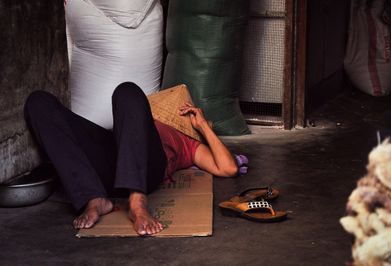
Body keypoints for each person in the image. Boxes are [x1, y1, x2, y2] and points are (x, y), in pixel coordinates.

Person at [24, 82, 238, 236]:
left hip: (147, 169)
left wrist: (202, 127)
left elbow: (228, 168)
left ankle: (137, 202)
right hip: (111, 162)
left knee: (127, 90)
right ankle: (95, 198)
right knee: (38, 102)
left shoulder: (187, 141)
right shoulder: (137, 113)